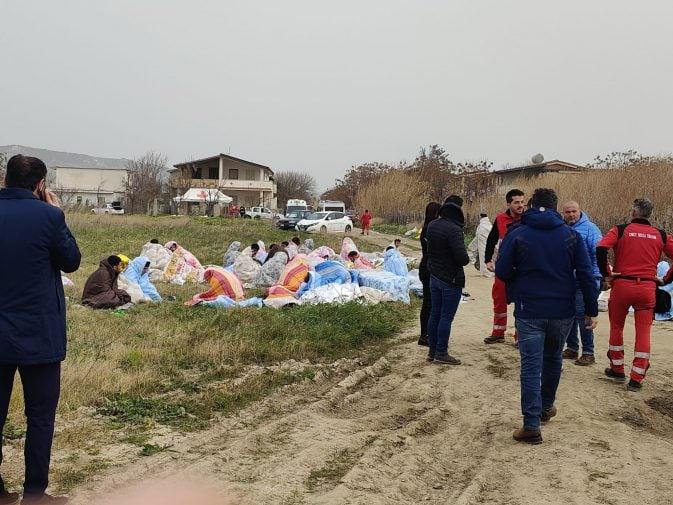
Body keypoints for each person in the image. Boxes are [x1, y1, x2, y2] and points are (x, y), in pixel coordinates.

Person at [0, 154, 81, 504]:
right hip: (38, 336)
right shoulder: (49, 216)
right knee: (40, 417)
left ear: (6, 180)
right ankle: (34, 492)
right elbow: (72, 261)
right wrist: (56, 211)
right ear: (40, 184)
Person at [496, 188, 599, 444]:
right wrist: (590, 310)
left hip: (529, 309)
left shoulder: (517, 233)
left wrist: (518, 284)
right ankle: (545, 407)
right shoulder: (570, 236)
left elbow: (502, 270)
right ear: (555, 209)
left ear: (531, 205)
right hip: (561, 310)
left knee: (531, 365)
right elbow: (586, 274)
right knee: (553, 359)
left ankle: (531, 424)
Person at [597, 198, 673, 391]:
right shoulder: (661, 234)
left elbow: (601, 248)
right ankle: (637, 378)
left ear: (633, 213)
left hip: (622, 284)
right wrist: (665, 279)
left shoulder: (620, 230)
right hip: (647, 288)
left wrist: (606, 273)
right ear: (650, 214)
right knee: (644, 332)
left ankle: (617, 368)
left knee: (617, 327)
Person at [425, 199, 470, 365]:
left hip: (434, 277)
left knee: (435, 314)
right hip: (451, 279)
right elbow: (462, 258)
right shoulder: (454, 230)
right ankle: (442, 352)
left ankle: (432, 351)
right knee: (446, 317)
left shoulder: (432, 225)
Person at [561, 201, 603, 366]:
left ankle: (588, 352)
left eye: (574, 211)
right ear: (563, 213)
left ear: (580, 211)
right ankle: (572, 347)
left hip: (587, 279)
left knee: (583, 314)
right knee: (568, 314)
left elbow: (598, 253)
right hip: (567, 280)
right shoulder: (562, 229)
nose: (571, 215)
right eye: (568, 212)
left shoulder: (591, 229)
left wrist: (598, 276)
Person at [484, 189, 526, 344]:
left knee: (521, 301)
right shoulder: (500, 218)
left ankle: (520, 336)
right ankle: (498, 332)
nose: (520, 205)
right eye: (516, 202)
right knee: (499, 298)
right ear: (509, 204)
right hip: (503, 267)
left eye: (522, 202)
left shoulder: (528, 219)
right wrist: (488, 260)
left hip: (522, 268)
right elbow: (491, 239)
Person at [418, 202, 442, 347]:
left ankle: (427, 333)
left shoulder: (426, 227)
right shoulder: (429, 229)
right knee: (429, 303)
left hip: (426, 267)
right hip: (428, 269)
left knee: (430, 302)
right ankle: (424, 335)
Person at [467, 213, 494, 278]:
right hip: (489, 241)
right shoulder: (488, 225)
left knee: (483, 252)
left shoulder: (482, 226)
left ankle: (487, 273)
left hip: (484, 241)